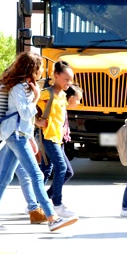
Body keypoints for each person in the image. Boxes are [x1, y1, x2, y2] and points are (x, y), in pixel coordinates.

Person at [0, 51, 78, 232]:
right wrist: (35, 97)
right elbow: (25, 113)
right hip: (16, 135)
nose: (42, 70)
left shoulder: (24, 86)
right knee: (37, 175)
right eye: (40, 67)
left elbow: (25, 117)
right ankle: (52, 218)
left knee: (5, 177)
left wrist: (31, 136)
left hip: (18, 134)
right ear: (32, 68)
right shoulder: (18, 87)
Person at [35, 61, 76, 218]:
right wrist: (36, 120)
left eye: (70, 79)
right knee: (61, 169)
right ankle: (57, 205)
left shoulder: (63, 95)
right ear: (56, 76)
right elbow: (27, 106)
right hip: (48, 138)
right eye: (66, 79)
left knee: (68, 172)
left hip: (59, 139)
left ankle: (41, 200)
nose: (69, 83)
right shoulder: (47, 93)